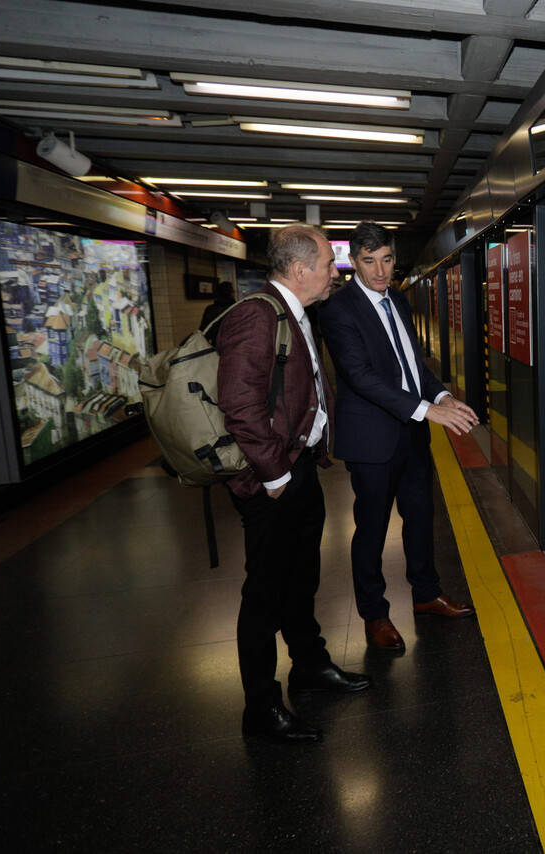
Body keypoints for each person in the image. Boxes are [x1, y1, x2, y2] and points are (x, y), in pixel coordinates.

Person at [215, 224, 369, 744]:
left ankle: (309, 664)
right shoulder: (256, 317)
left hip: (296, 468)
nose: (334, 272)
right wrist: (275, 476)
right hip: (270, 479)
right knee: (264, 593)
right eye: (329, 264)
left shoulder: (294, 313)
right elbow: (239, 404)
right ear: (300, 269)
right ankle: (260, 708)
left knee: (300, 578)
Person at [318, 221, 479, 652]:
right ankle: (374, 615)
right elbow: (361, 377)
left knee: (421, 518)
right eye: (368, 262)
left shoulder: (399, 300)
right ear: (353, 262)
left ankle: (426, 595)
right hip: (372, 441)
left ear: (394, 258)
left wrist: (443, 395)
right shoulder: (339, 310)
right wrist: (430, 411)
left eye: (386, 259)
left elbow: (413, 366)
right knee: (371, 529)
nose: (379, 271)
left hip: (412, 435)